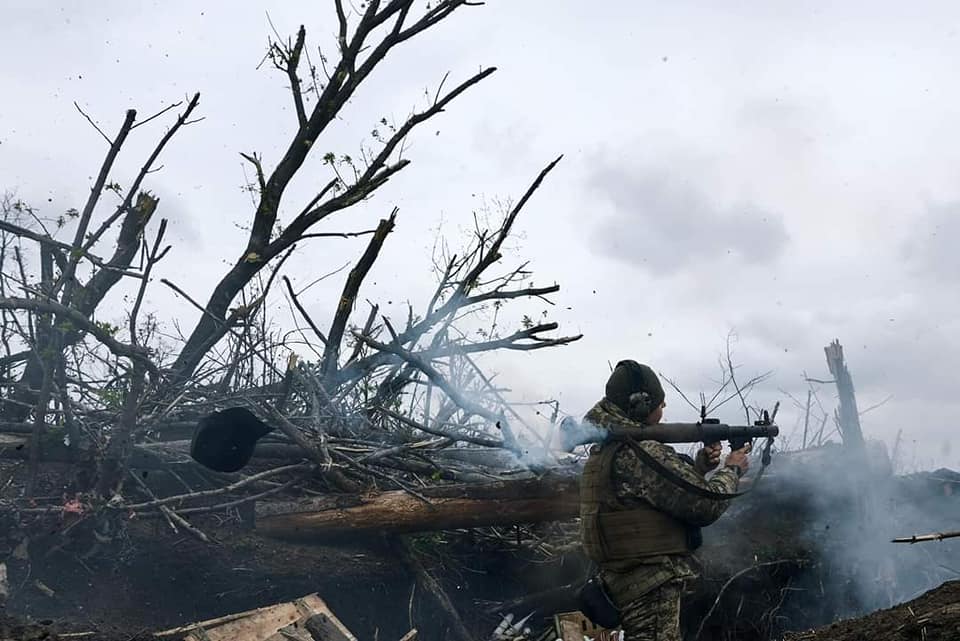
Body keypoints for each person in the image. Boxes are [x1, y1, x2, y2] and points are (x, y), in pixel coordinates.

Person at [579, 360, 752, 640]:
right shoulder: (641, 452)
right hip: (648, 585)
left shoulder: (609, 448)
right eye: (660, 402)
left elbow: (650, 497)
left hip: (624, 580)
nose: (664, 409)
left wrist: (698, 470)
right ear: (641, 405)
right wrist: (732, 469)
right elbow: (706, 506)